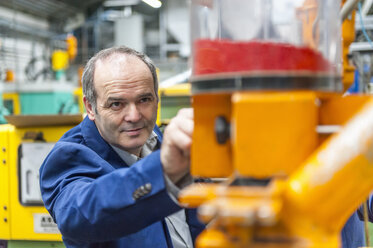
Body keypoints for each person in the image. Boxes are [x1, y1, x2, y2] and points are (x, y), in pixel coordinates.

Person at [39, 46, 204, 248]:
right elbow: (81, 215)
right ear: (90, 107)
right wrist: (164, 171)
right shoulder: (69, 157)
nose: (134, 116)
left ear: (156, 98)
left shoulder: (160, 139)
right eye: (116, 104)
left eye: (144, 99)